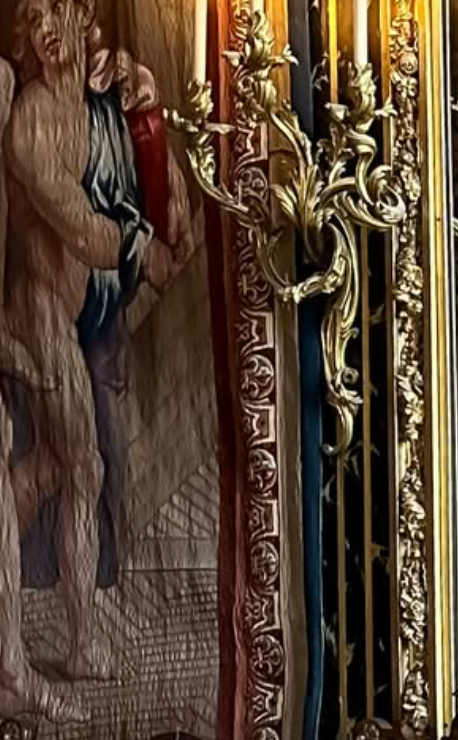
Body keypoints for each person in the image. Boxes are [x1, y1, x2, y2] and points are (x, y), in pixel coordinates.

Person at [1, 0, 193, 721]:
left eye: (57, 7)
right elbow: (85, 233)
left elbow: (166, 202)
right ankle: (81, 641)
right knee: (80, 467)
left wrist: (147, 119)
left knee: (56, 466)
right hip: (44, 310)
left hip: (97, 314)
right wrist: (156, 250)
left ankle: (53, 623)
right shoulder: (27, 125)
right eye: (30, 15)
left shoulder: (106, 99)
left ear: (84, 16)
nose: (44, 25)